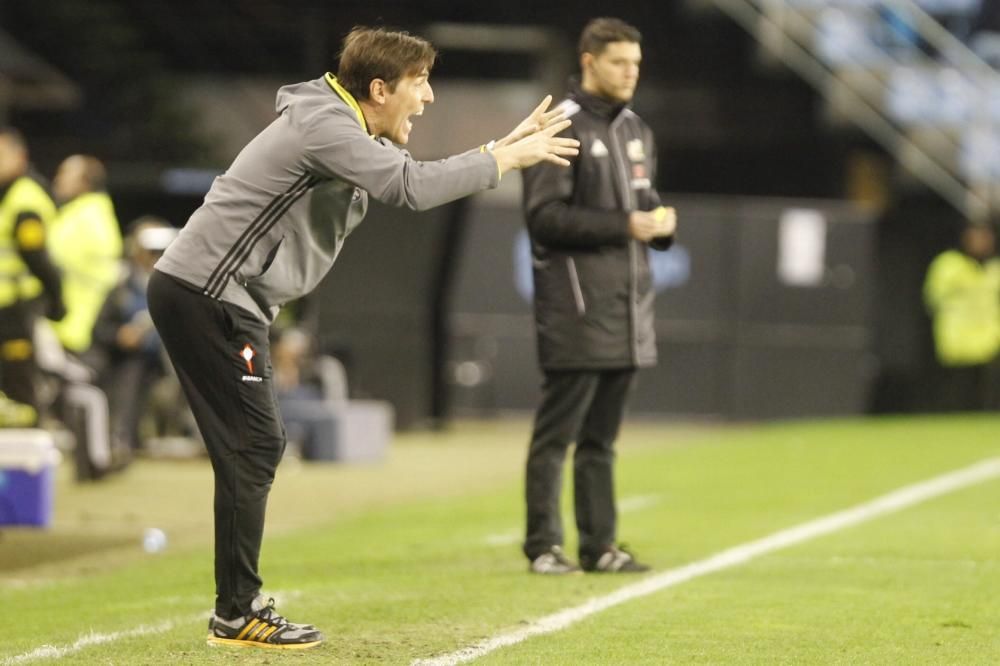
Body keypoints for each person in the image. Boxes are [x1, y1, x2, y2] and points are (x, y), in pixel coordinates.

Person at [147, 26, 579, 650]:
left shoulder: (342, 122)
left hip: (217, 294)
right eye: (420, 83)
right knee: (256, 445)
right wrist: (503, 160)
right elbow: (411, 188)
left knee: (253, 448)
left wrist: (494, 147)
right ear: (379, 89)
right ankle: (235, 614)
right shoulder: (327, 127)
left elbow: (410, 173)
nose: (427, 98)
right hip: (207, 293)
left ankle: (235, 609)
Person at [519, 17, 676, 575]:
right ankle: (543, 546)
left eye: (636, 63)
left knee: (602, 440)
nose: (630, 72)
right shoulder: (559, 125)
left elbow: (642, 203)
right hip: (577, 307)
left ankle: (600, 546)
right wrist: (625, 224)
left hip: (628, 309)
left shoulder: (638, 129)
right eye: (619, 62)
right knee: (556, 435)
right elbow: (544, 218)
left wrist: (659, 224)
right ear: (588, 61)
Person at [91, 217, 177, 454]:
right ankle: (122, 441)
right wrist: (120, 335)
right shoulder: (120, 285)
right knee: (131, 373)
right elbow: (99, 330)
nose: (155, 254)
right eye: (149, 247)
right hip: (132, 361)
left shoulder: (180, 283)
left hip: (172, 360)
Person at [0, 127, 65, 420]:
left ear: (20, 156)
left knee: (19, 387)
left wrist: (56, 301)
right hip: (7, 308)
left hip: (16, 309)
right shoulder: (10, 194)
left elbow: (36, 256)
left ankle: (27, 457)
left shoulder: (25, 197)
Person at [47, 155, 123, 355]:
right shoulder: (87, 214)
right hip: (72, 327)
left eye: (64, 173)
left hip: (71, 328)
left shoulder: (87, 218)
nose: (57, 179)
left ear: (85, 182)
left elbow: (48, 262)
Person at [923, 222, 1000, 411]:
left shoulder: (994, 268)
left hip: (990, 340)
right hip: (956, 340)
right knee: (957, 392)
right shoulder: (949, 265)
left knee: (987, 393)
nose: (982, 242)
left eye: (986, 237)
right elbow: (933, 298)